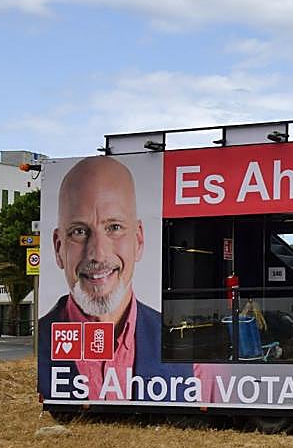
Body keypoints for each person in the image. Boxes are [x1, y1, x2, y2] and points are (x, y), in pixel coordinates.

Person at [38, 156, 191, 399]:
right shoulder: (42, 340)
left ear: (138, 240)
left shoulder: (183, 347)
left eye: (114, 227)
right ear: (58, 248)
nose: (98, 254)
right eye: (79, 232)